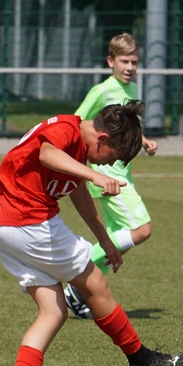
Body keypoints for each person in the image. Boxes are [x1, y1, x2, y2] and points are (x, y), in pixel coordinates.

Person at [0, 102, 183, 366]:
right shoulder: (66, 131)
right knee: (96, 285)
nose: (111, 163)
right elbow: (48, 154)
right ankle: (139, 358)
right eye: (113, 155)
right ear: (102, 137)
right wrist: (96, 174)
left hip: (4, 228)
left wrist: (105, 241)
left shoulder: (78, 149)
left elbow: (77, 191)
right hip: (29, 223)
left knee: (53, 311)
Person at [63, 33, 157, 319]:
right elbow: (77, 123)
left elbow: (124, 130)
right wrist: (89, 170)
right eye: (124, 61)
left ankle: (80, 289)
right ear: (110, 61)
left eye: (134, 62)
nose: (130, 67)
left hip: (122, 171)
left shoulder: (133, 87)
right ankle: (74, 282)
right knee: (142, 230)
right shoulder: (102, 91)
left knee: (120, 237)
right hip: (107, 174)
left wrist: (143, 140)